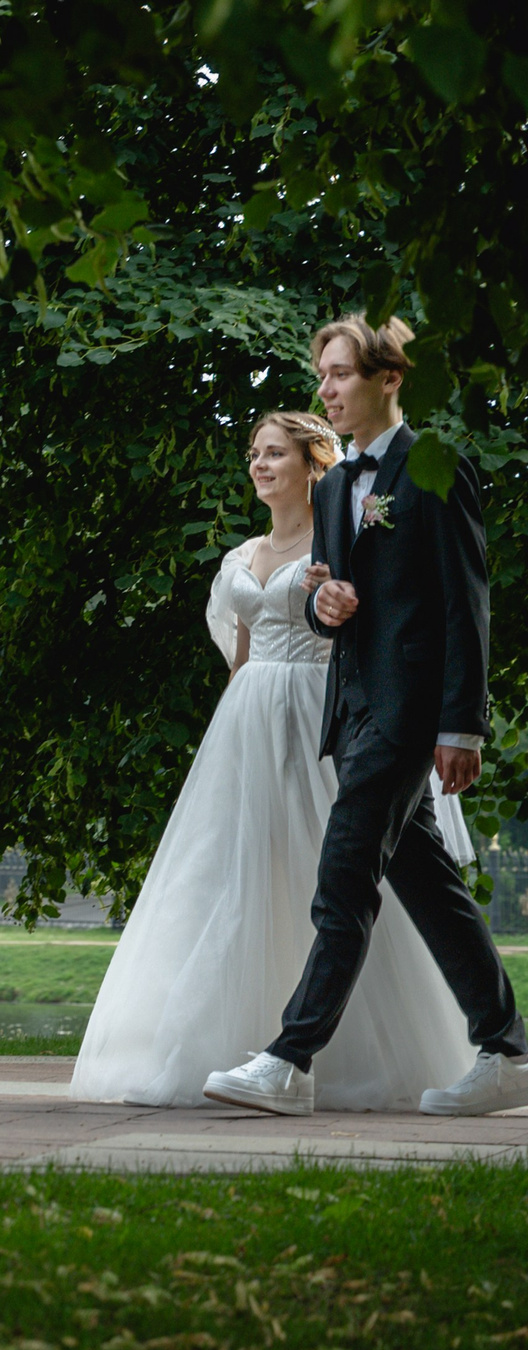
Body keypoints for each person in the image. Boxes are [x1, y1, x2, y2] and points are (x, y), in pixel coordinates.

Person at [73, 405, 474, 1110]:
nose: (259, 465)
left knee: (334, 872)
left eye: (274, 454)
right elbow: (242, 653)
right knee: (227, 875)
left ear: (311, 464)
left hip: (319, 713)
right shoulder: (240, 557)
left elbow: (378, 628)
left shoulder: (343, 541)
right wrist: (229, 729)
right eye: (254, 454)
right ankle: (214, 1044)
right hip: (247, 721)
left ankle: (341, 1055)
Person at [200, 314, 527, 1116]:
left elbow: (466, 602)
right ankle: (508, 1049)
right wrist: (325, 604)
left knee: (343, 875)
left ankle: (290, 1059)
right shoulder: (339, 484)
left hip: (410, 712)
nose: (327, 390)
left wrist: (462, 726)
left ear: (389, 379)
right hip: (350, 711)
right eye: (322, 376)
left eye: (341, 373)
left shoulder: (434, 468)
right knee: (427, 883)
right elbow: (330, 612)